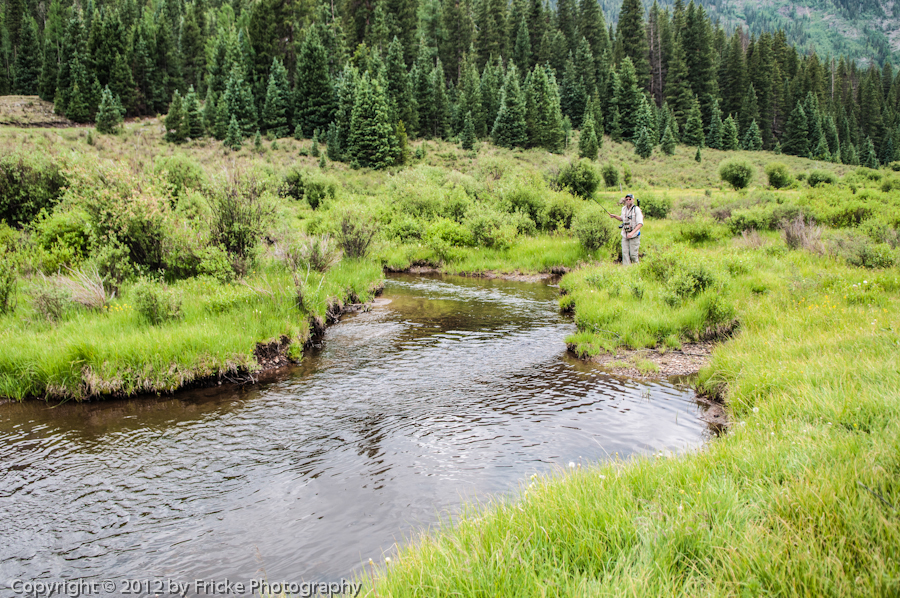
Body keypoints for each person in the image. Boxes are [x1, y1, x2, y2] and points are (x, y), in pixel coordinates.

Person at [609, 193, 643, 265]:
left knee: (633, 255)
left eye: (629, 199)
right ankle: (627, 270)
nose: (628, 200)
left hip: (634, 235)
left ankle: (637, 269)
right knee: (625, 253)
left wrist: (632, 233)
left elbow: (640, 224)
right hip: (625, 234)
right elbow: (622, 218)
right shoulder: (623, 209)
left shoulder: (636, 209)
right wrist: (614, 216)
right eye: (626, 199)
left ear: (633, 200)